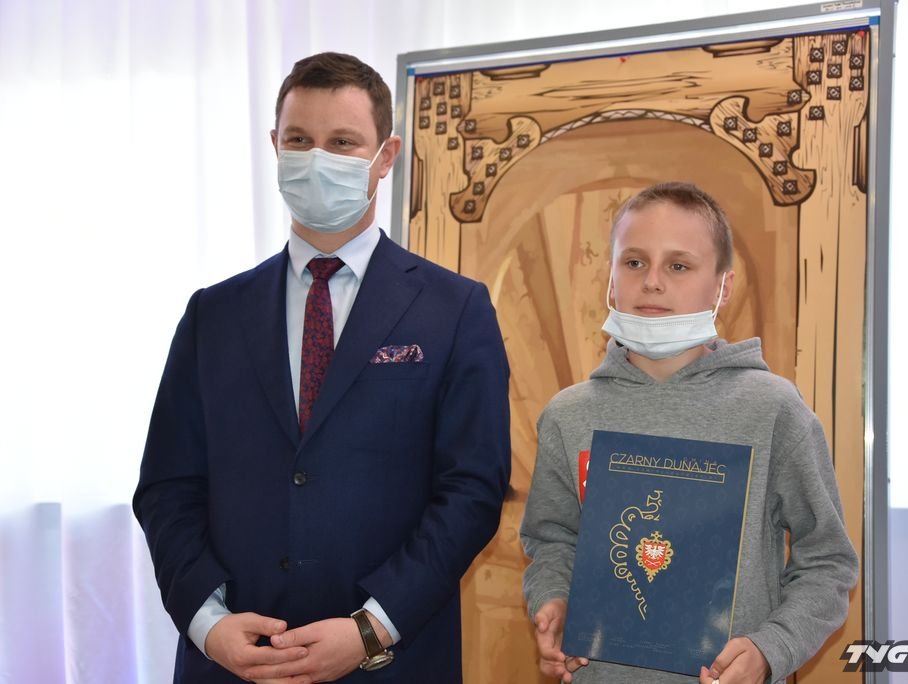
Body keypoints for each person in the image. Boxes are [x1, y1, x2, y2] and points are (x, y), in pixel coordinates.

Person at [134, 52, 511, 683]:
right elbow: (167, 487)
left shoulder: (455, 310)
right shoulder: (212, 314)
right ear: (274, 147)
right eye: (299, 141)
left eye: (342, 142)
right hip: (233, 660)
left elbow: (471, 491)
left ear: (385, 157)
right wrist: (208, 623)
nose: (317, 159)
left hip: (391, 661)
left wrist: (370, 628)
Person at [520, 182, 858, 684]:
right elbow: (553, 538)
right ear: (610, 277)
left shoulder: (773, 410)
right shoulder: (568, 416)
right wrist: (554, 598)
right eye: (634, 262)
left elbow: (828, 560)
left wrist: (772, 648)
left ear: (723, 287)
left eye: (679, 265)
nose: (652, 282)